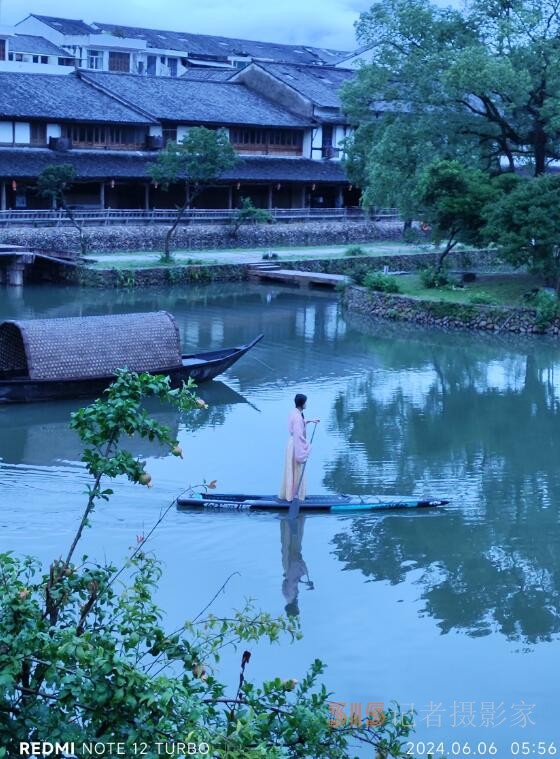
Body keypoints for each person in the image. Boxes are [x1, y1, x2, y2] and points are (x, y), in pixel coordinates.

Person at [279, 393, 319, 502]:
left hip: (291, 443)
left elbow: (298, 424)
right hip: (295, 444)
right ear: (302, 403)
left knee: (292, 470)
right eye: (305, 402)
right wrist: (307, 446)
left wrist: (309, 421)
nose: (306, 404)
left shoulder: (294, 412)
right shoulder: (297, 416)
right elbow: (298, 434)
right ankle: (294, 496)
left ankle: (290, 495)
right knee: (296, 470)